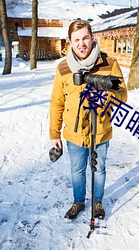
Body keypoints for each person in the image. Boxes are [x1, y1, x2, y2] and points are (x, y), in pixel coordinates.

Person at [49, 20, 127, 220]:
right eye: (77, 40)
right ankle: (78, 202)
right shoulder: (63, 68)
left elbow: (123, 95)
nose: (81, 43)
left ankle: (98, 202)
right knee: (77, 170)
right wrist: (54, 134)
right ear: (70, 42)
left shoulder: (109, 63)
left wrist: (105, 96)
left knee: (99, 168)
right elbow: (57, 102)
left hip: (101, 130)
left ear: (92, 38)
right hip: (74, 133)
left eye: (85, 38)